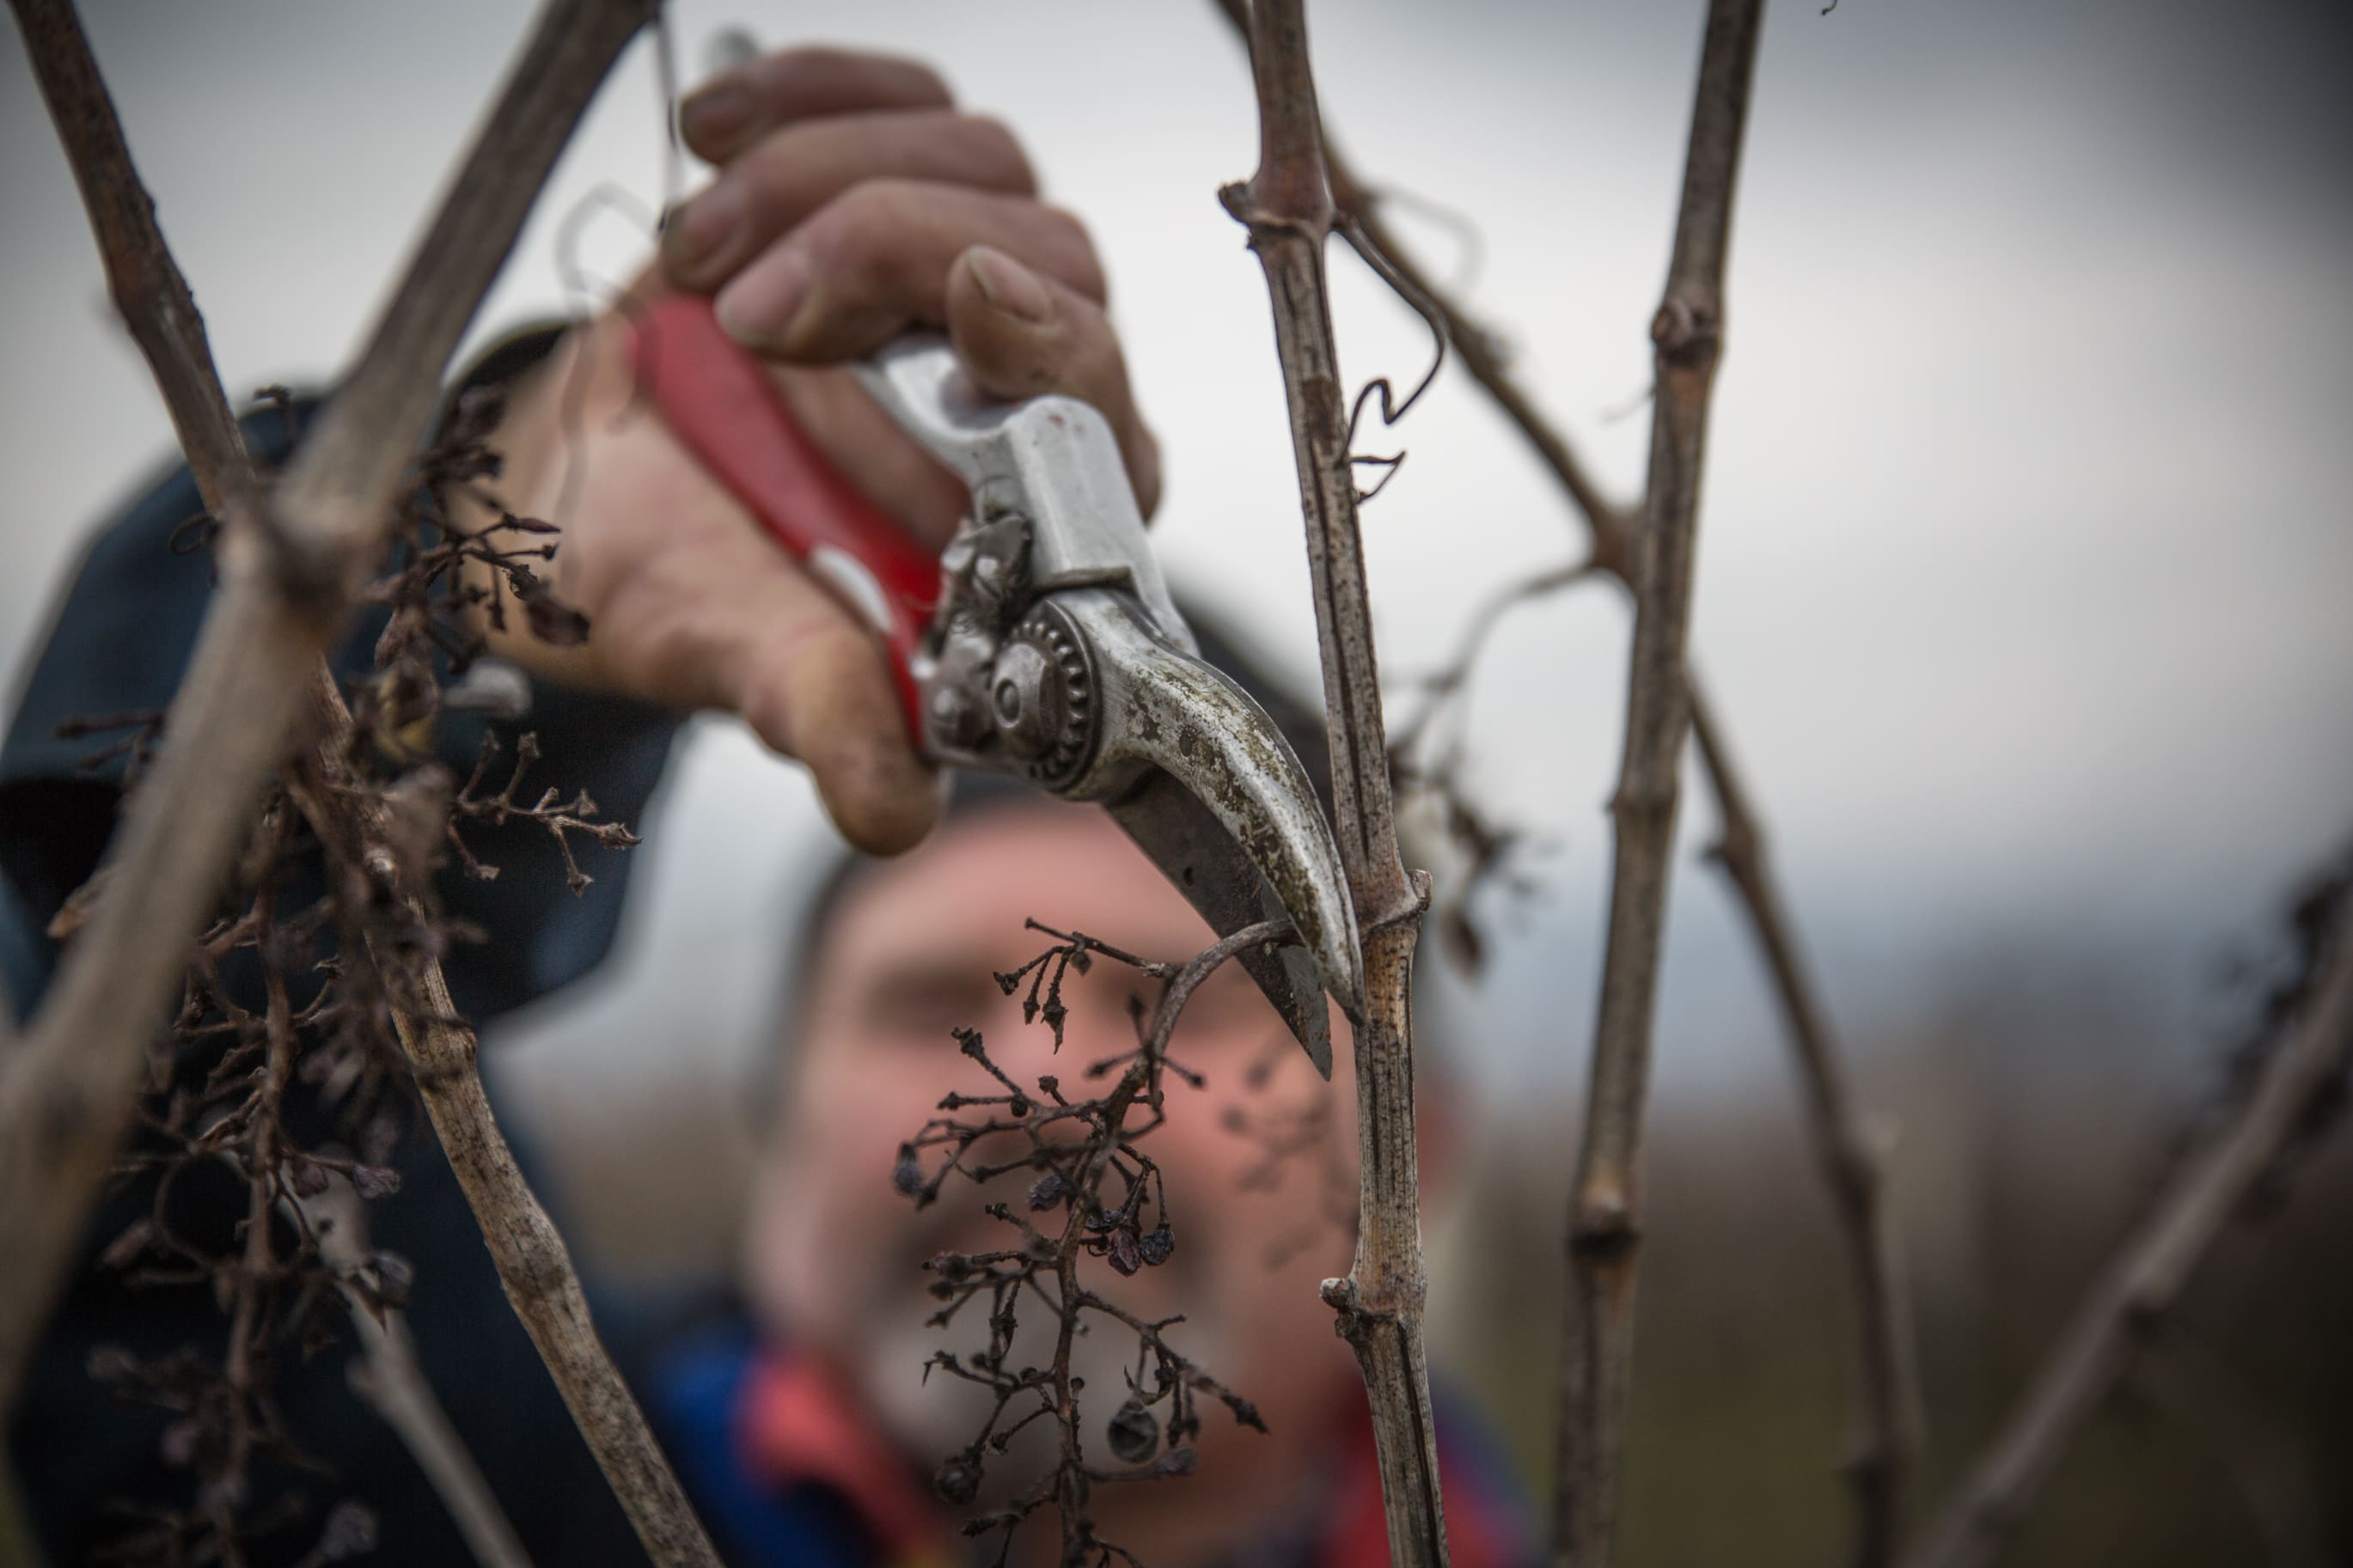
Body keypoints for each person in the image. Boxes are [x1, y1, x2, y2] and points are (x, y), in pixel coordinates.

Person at [3, 46, 1531, 1568]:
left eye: (1167, 1000)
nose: (1044, 1078)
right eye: (931, 1003)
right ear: (774, 1134)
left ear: (1415, 1148)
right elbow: (176, 1110)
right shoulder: (453, 1495)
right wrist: (431, 584)